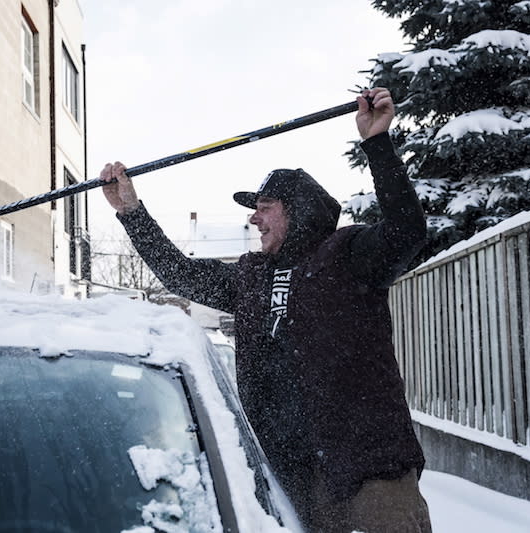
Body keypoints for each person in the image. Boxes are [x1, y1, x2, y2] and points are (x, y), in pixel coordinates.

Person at [101, 88, 431, 533]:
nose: (254, 220)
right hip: (292, 477)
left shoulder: (348, 256)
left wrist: (376, 142)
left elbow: (406, 231)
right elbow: (181, 275)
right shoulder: (249, 276)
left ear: (298, 211)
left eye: (264, 208)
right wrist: (132, 212)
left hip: (370, 474)